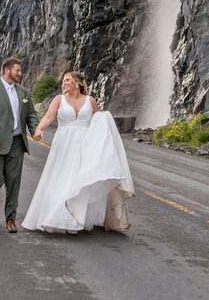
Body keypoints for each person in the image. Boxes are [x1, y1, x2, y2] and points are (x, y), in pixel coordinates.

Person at [22, 71, 134, 234]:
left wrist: (105, 118)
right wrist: (39, 129)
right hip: (63, 145)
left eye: (67, 80)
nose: (64, 83)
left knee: (79, 179)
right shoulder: (59, 99)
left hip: (85, 145)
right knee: (61, 178)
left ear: (77, 83)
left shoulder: (91, 101)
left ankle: (77, 219)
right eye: (64, 81)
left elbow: (98, 124)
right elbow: (48, 117)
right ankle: (57, 217)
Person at [0, 57, 40, 233]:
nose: (20, 73)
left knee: (14, 182)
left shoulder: (24, 92)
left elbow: (31, 115)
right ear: (7, 70)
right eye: (17, 71)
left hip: (17, 143)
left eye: (20, 71)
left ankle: (10, 218)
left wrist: (35, 129)